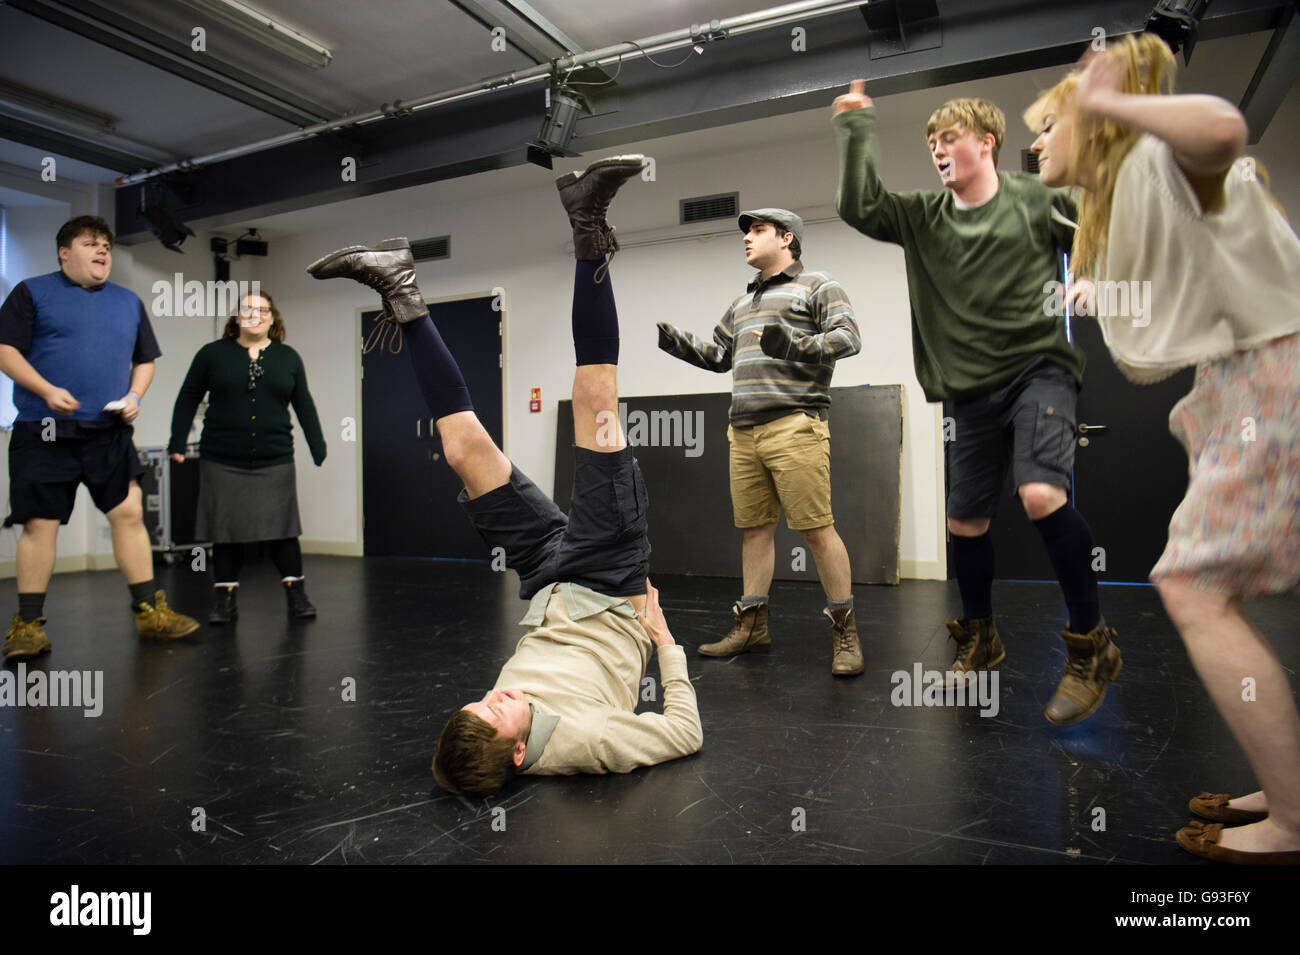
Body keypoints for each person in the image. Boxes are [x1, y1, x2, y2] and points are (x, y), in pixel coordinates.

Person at [307, 155, 702, 796]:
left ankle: (399, 287)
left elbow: (500, 707)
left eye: (477, 702)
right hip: (609, 576)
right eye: (496, 710)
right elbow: (684, 733)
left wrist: (496, 707)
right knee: (596, 398)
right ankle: (589, 221)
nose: (496, 695)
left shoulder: (495, 730)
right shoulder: (589, 741)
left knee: (461, 449)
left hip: (546, 578)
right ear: (521, 754)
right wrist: (665, 642)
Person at [1025, 33, 1300, 864]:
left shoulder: (1159, 157)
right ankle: (1289, 785)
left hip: (1274, 384)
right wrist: (1097, 286)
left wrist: (1106, 97)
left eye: (1049, 124)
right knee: (1213, 586)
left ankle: (1294, 818)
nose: (1037, 141)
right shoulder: (1145, 187)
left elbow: (1221, 128)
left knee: (1191, 584)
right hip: (1251, 384)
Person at [831, 81, 1120, 724]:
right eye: (932, 143)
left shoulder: (1036, 199)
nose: (938, 151)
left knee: (1041, 494)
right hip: (968, 393)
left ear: (987, 142)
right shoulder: (922, 217)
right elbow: (859, 204)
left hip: (1038, 371)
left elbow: (1099, 229)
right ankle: (982, 637)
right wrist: (856, 126)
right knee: (966, 523)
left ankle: (1090, 642)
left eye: (950, 138)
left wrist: (1096, 273)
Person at [656, 210, 864, 676]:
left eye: (757, 231)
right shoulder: (740, 304)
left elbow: (848, 338)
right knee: (754, 529)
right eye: (746, 232)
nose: (746, 239)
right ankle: (752, 626)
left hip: (795, 424)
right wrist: (676, 342)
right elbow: (717, 356)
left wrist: (793, 344)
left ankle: (845, 632)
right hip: (743, 430)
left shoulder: (817, 285)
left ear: (787, 238)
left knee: (816, 529)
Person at [0, 215, 198, 660]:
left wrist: (134, 395)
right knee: (39, 524)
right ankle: (28, 627)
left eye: (106, 244)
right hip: (44, 430)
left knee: (128, 515)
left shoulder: (128, 302)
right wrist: (47, 390)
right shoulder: (31, 292)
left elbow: (145, 360)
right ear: (64, 252)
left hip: (107, 431)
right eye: (91, 243)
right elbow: (4, 349)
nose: (103, 250)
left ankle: (149, 611)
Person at [168, 292, 327, 623]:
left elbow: (304, 404)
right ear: (237, 318)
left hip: (274, 457)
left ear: (273, 317)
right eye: (248, 310)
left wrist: (318, 444)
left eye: (263, 310)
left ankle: (297, 596)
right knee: (226, 532)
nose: (256, 315)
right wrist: (177, 442)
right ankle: (225, 602)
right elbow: (188, 397)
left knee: (283, 530)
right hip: (223, 459)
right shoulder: (212, 355)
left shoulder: (288, 357)